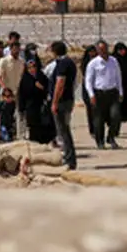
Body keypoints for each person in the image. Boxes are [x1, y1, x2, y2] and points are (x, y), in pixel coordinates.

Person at [84, 40, 123, 150]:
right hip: (99, 93)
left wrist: (120, 92)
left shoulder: (114, 61)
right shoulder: (93, 64)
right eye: (100, 49)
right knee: (98, 120)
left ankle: (111, 137)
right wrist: (91, 95)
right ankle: (100, 141)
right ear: (97, 50)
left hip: (112, 92)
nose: (103, 51)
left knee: (116, 116)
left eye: (105, 48)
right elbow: (88, 81)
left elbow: (118, 77)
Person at [49, 41, 78, 170]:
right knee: (64, 129)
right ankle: (69, 157)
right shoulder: (70, 63)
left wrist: (54, 102)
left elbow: (60, 83)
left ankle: (69, 158)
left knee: (63, 131)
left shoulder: (62, 64)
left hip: (62, 101)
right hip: (69, 99)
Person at [17, 57, 53, 144]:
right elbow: (21, 94)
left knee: (44, 126)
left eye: (33, 66)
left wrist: (41, 87)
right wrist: (21, 108)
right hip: (30, 106)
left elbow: (49, 90)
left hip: (41, 106)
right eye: (29, 67)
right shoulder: (25, 79)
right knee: (32, 127)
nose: (32, 69)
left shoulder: (42, 77)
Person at [0, 41, 25, 142]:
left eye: (18, 49)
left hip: (17, 92)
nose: (16, 51)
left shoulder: (21, 62)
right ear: (10, 49)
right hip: (6, 93)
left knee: (18, 114)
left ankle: (17, 135)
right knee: (4, 115)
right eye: (14, 49)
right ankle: (1, 135)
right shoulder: (4, 61)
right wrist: (5, 89)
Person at [78, 44, 98, 140]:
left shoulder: (99, 61)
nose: (92, 54)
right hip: (87, 88)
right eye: (90, 52)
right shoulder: (85, 63)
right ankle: (92, 130)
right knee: (90, 110)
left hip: (97, 87)